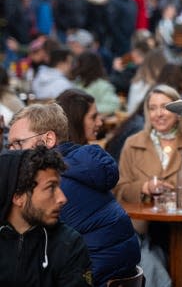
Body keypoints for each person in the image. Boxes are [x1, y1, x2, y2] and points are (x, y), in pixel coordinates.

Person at [8, 101, 140, 287]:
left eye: (19, 143)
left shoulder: (51, 183)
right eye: (9, 146)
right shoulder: (82, 165)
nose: (11, 153)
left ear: (48, 140)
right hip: (117, 273)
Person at [113, 84, 182, 286]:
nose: (158, 113)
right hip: (148, 226)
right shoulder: (133, 144)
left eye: (165, 107)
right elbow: (120, 189)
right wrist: (144, 188)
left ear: (178, 112)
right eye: (152, 108)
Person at [54, 90, 140, 287]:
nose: (100, 122)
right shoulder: (90, 167)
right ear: (76, 120)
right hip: (121, 269)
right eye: (93, 116)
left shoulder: (63, 173)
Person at [0, 146, 93, 286]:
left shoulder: (69, 244)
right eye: (51, 187)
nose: (62, 198)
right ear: (19, 196)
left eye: (59, 187)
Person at [71, 51, 121, 115]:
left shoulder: (102, 86)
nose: (75, 67)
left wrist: (87, 110)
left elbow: (113, 105)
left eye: (79, 64)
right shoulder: (77, 83)